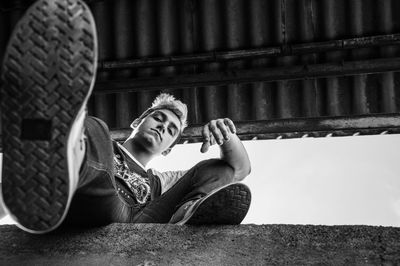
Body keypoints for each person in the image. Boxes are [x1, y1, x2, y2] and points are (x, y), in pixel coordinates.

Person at [0, 0, 251, 234]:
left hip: (142, 221)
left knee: (215, 169)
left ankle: (189, 211)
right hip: (88, 199)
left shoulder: (163, 181)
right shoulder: (102, 146)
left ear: (167, 150)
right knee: (96, 129)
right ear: (138, 121)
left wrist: (227, 136)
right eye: (159, 119)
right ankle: (50, 143)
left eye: (172, 131)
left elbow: (240, 170)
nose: (163, 128)